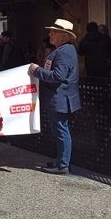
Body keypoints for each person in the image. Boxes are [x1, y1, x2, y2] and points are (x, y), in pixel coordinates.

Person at [29, 18, 81, 175]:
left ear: (64, 35)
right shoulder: (65, 50)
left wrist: (37, 70)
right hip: (60, 98)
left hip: (60, 99)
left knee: (61, 131)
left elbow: (58, 76)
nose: (50, 34)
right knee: (60, 131)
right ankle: (61, 161)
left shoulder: (64, 52)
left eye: (54, 32)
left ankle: (63, 164)